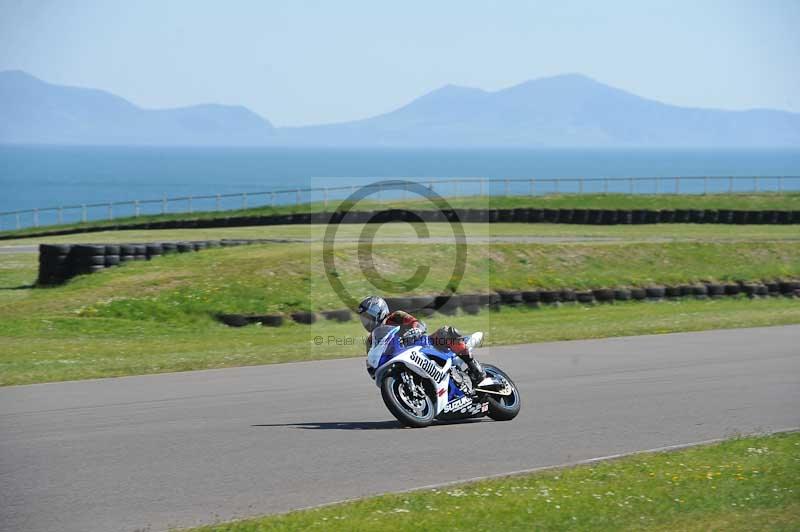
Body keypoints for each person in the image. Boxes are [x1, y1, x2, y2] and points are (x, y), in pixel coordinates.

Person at [357, 295, 486, 383]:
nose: (366, 321)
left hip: (421, 345)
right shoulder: (371, 339)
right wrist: (372, 367)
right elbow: (373, 357)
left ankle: (473, 365)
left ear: (379, 311)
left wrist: (415, 329)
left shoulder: (396, 316)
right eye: (363, 318)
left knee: (445, 332)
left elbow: (415, 322)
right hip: (400, 360)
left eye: (368, 316)